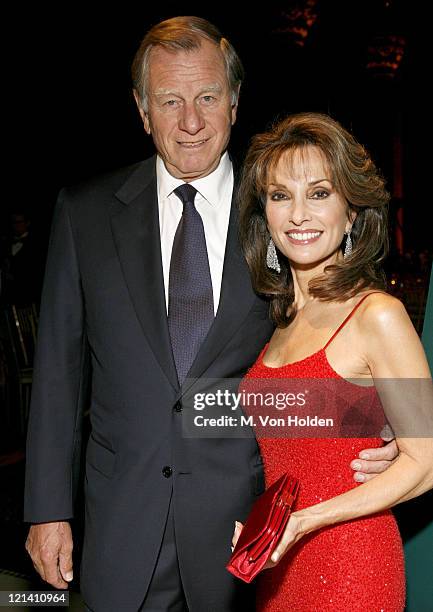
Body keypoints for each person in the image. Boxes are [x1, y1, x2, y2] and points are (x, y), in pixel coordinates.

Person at [23, 18, 397, 612]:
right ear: (143, 110)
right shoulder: (84, 214)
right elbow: (58, 377)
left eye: (207, 98)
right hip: (122, 519)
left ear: (235, 101)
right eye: (170, 101)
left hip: (247, 527)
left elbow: (329, 348)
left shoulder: (278, 209)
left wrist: (378, 421)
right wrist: (47, 509)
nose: (190, 121)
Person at [233, 112, 433, 611]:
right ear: (266, 216)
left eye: (319, 193)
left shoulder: (376, 314)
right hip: (277, 566)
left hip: (352, 567)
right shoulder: (278, 320)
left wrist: (304, 521)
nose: (298, 214)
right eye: (281, 196)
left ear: (351, 213)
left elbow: (427, 463)